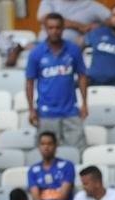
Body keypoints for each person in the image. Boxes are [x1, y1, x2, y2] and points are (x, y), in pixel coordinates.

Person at [25, 13, 89, 150]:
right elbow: (29, 82)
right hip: (46, 113)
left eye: (58, 27)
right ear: (45, 29)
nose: (54, 31)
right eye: (51, 28)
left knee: (78, 153)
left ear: (63, 28)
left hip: (71, 112)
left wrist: (84, 103)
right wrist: (31, 109)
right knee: (46, 153)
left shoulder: (73, 50)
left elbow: (82, 76)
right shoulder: (36, 53)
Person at [27, 130, 75, 200]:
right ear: (39, 147)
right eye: (42, 144)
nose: (46, 147)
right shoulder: (32, 170)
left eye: (49, 144)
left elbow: (63, 196)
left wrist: (46, 196)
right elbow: (36, 198)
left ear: (56, 146)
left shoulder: (67, 166)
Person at [38, 0, 111, 46]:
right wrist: (80, 26)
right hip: (42, 46)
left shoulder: (91, 5)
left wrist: (99, 27)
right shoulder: (49, 1)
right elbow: (46, 19)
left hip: (71, 53)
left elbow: (113, 20)